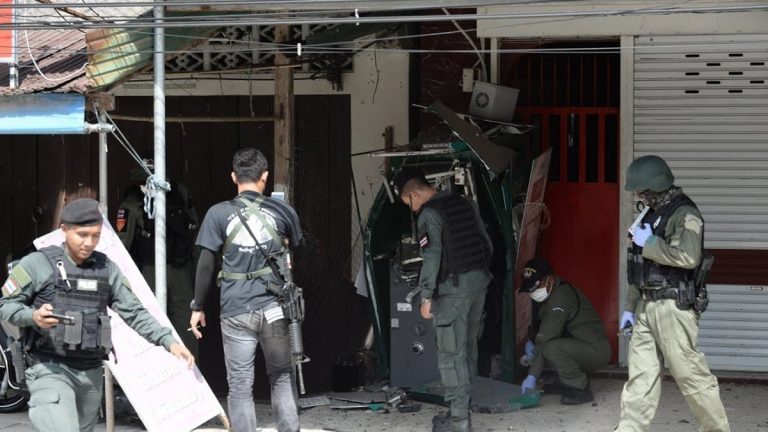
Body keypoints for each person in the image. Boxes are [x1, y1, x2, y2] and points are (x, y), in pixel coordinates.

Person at [0, 198, 194, 432]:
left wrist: (168, 341)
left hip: (90, 372)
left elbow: (134, 312)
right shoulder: (37, 264)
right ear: (64, 229)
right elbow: (6, 306)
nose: (89, 242)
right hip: (48, 368)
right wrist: (33, 316)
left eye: (95, 236)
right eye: (82, 235)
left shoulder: (106, 269)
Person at [189, 147, 303, 432]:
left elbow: (206, 264)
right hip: (275, 307)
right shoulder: (283, 211)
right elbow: (295, 251)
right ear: (265, 176)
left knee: (240, 386)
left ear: (233, 177)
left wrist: (197, 306)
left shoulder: (217, 213)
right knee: (282, 376)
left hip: (236, 310)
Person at [616, 155, 730, 431]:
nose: (638, 196)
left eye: (642, 191)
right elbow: (639, 265)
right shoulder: (650, 213)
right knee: (640, 380)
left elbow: (688, 257)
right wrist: (630, 307)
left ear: (656, 186)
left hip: (672, 306)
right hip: (645, 306)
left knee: (691, 375)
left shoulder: (685, 214)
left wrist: (650, 242)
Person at [394, 167, 493, 432]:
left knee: (451, 353)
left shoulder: (429, 214)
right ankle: (462, 407)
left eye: (408, 204)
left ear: (414, 195)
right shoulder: (464, 202)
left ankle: (459, 419)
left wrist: (426, 296)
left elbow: (432, 257)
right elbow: (487, 243)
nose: (412, 209)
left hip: (453, 290)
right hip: (479, 282)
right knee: (468, 347)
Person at [115, 165, 199, 357]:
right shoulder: (179, 191)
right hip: (179, 267)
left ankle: (159, 368)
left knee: (151, 320)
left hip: (151, 268)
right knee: (184, 322)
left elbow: (122, 243)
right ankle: (190, 368)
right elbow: (194, 227)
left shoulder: (132, 201)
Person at [517, 258, 610, 405]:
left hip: (596, 351)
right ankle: (565, 382)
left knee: (550, 348)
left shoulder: (561, 297)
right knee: (545, 347)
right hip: (581, 345)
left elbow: (545, 339)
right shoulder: (550, 294)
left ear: (549, 279)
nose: (534, 292)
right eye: (531, 288)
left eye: (537, 286)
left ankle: (580, 388)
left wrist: (532, 376)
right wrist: (532, 341)